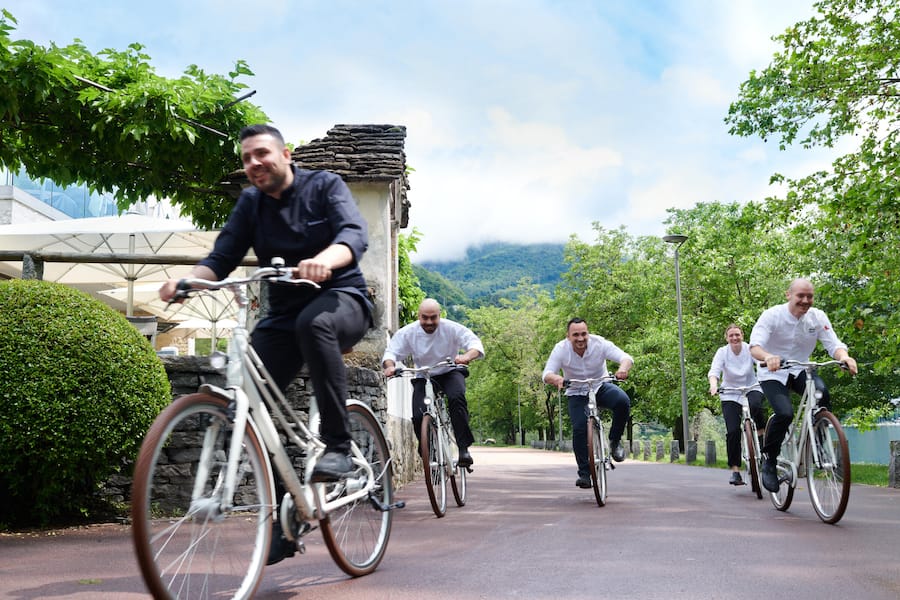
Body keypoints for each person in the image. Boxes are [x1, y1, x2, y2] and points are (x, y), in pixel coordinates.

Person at [159, 123, 373, 564]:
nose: (253, 164)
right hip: (282, 315)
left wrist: (323, 261)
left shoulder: (324, 186)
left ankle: (336, 446)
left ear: (286, 155)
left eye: (261, 154)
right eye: (246, 158)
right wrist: (186, 282)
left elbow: (353, 235)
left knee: (314, 325)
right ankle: (284, 520)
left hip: (341, 298)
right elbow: (221, 258)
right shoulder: (251, 203)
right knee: (254, 408)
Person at [749, 278, 858, 493]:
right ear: (788, 295)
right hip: (772, 371)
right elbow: (755, 347)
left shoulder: (817, 317)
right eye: (801, 296)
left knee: (822, 394)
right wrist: (769, 356)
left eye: (810, 296)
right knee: (784, 413)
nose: (805, 300)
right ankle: (769, 460)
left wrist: (845, 357)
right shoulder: (772, 315)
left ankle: (817, 441)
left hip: (800, 368)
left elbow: (833, 344)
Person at [381, 298, 484, 467]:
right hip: (424, 375)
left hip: (449, 371)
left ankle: (463, 448)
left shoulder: (451, 328)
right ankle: (429, 451)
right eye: (424, 318)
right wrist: (390, 367)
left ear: (439, 315)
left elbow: (475, 344)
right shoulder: (408, 332)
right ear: (418, 316)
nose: (429, 322)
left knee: (457, 398)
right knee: (417, 416)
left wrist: (466, 356)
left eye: (433, 317)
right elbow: (391, 352)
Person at [542, 318, 633, 489]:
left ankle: (615, 441)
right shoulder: (560, 349)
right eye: (575, 335)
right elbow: (547, 373)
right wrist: (557, 379)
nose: (580, 338)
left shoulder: (600, 344)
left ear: (588, 333)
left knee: (622, 401)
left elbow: (625, 357)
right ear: (568, 337)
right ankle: (584, 473)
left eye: (584, 334)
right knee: (579, 428)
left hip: (600, 386)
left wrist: (622, 369)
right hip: (576, 391)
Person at [707, 324, 766, 486]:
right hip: (730, 393)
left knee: (757, 407)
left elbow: (761, 362)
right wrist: (714, 385)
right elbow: (714, 371)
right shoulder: (722, 352)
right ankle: (735, 471)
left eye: (737, 335)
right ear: (727, 338)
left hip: (751, 387)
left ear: (742, 335)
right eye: (731, 335)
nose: (734, 338)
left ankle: (763, 445)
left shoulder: (749, 349)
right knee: (733, 431)